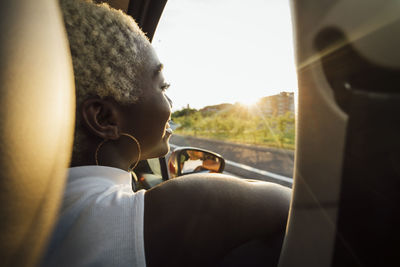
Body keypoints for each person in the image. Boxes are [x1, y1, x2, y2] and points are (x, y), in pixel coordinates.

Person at [42, 0, 291, 266]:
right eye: (163, 87)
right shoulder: (185, 206)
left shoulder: (34, 216)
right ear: (104, 118)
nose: (171, 104)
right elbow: (303, 207)